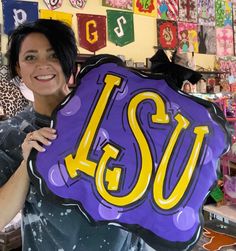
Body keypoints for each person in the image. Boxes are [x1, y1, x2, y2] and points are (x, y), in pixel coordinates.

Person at [0, 19, 149, 251]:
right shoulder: (11, 133)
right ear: (18, 67)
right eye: (30, 57)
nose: (43, 65)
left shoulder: (112, 115)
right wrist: (27, 166)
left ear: (69, 61)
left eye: (54, 55)